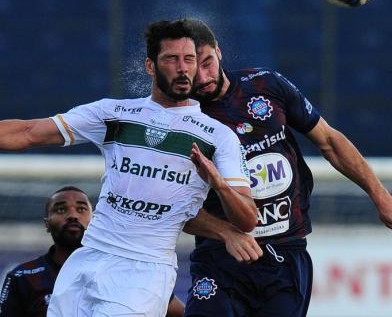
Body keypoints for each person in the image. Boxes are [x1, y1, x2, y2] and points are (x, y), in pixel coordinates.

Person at [0, 19, 258, 317]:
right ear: (151, 66)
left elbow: (248, 218)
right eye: (171, 59)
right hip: (88, 259)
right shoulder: (114, 114)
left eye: (189, 59)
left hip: (144, 270)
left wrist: (219, 184)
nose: (183, 68)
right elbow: (29, 132)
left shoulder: (218, 136)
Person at [181, 19, 392, 317]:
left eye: (208, 63)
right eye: (193, 70)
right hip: (220, 258)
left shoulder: (266, 85)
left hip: (285, 252)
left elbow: (329, 141)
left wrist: (380, 195)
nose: (202, 77)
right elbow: (168, 204)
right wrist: (226, 232)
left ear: (219, 52)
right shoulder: (180, 119)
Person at [0, 186, 185, 317]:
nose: (72, 215)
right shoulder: (23, 277)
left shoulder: (124, 267)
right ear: (47, 223)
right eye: (61, 209)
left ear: (95, 220)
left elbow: (178, 311)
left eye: (81, 209)